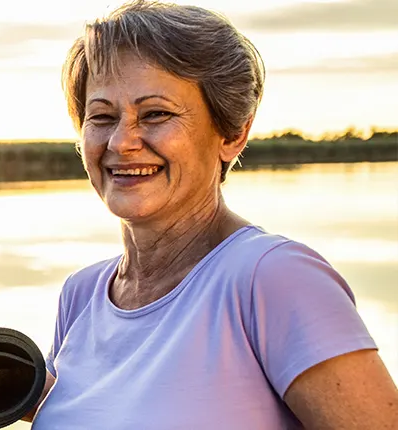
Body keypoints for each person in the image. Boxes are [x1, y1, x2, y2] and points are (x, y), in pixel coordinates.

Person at [24, 1, 398, 428]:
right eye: (102, 117)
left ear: (232, 134)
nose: (122, 142)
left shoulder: (272, 278)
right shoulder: (81, 294)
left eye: (156, 114)